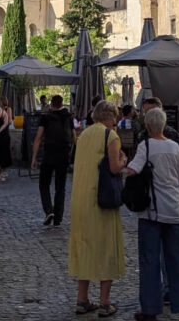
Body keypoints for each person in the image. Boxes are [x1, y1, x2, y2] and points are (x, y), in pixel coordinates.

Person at [127, 107, 179, 321]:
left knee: (150, 261)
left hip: (152, 214)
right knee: (178, 260)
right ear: (164, 125)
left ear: (147, 126)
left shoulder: (145, 146)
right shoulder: (174, 147)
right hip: (175, 211)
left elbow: (132, 171)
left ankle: (150, 308)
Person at [68, 99, 126, 317]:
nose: (116, 121)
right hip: (101, 199)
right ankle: (104, 302)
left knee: (84, 246)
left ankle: (82, 299)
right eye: (116, 117)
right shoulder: (110, 136)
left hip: (80, 197)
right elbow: (113, 167)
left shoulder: (83, 135)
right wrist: (123, 160)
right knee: (106, 247)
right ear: (110, 116)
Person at [32, 93, 74, 226]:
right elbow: (74, 137)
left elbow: (38, 137)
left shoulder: (46, 117)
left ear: (51, 104)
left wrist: (34, 157)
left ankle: (49, 210)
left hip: (49, 154)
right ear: (62, 104)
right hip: (63, 156)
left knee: (44, 184)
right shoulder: (68, 117)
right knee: (60, 187)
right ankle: (58, 218)